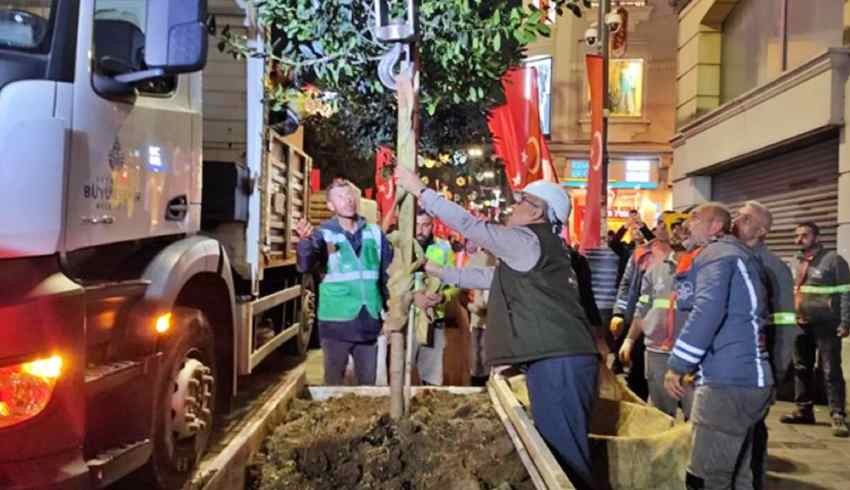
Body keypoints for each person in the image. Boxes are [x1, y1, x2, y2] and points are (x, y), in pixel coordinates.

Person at [395, 166, 599, 489]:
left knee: (564, 461)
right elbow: (491, 279)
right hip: (562, 358)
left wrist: (421, 190)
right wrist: (435, 269)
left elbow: (470, 226)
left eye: (520, 202)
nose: (512, 207)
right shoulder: (544, 250)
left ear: (536, 211)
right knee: (557, 452)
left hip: (558, 360)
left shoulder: (527, 240)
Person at [663, 202, 774, 490]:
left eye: (695, 218)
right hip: (748, 380)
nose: (688, 224)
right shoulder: (735, 254)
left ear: (714, 227)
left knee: (705, 477)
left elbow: (707, 312)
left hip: (727, 384)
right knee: (738, 473)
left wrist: (677, 365)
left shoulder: (716, 254)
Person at [295, 178, 393, 385]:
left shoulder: (375, 233)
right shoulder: (323, 235)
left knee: (368, 388)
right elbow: (305, 265)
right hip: (335, 322)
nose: (347, 201)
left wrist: (390, 311)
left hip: (368, 321)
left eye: (350, 196)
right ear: (330, 206)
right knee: (334, 388)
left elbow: (387, 276)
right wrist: (304, 241)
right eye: (340, 197)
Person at [731, 200, 797, 489]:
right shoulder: (730, 258)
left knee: (753, 432)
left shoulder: (773, 268)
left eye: (744, 218)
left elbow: (784, 324)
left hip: (758, 367)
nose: (736, 220)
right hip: (729, 367)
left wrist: (778, 372)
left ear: (761, 231)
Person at [780, 221, 850, 437]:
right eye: (796, 235)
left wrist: (846, 321)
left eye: (804, 235)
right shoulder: (795, 261)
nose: (798, 240)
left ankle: (837, 415)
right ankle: (804, 410)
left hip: (827, 324)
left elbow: (846, 291)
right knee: (801, 368)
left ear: (816, 237)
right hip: (801, 323)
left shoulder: (833, 260)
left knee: (830, 370)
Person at [619, 235, 693, 419]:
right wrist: (629, 339)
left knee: (695, 417)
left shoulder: (705, 269)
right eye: (674, 228)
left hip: (691, 354)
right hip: (657, 352)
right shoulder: (655, 271)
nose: (678, 232)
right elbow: (642, 308)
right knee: (662, 416)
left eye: (683, 226)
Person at [410, 210, 459, 386]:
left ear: (433, 225)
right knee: (400, 372)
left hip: (433, 320)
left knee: (432, 376)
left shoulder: (444, 248)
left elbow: (454, 283)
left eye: (426, 225)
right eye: (417, 224)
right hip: (407, 319)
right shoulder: (400, 246)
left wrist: (443, 296)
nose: (420, 230)